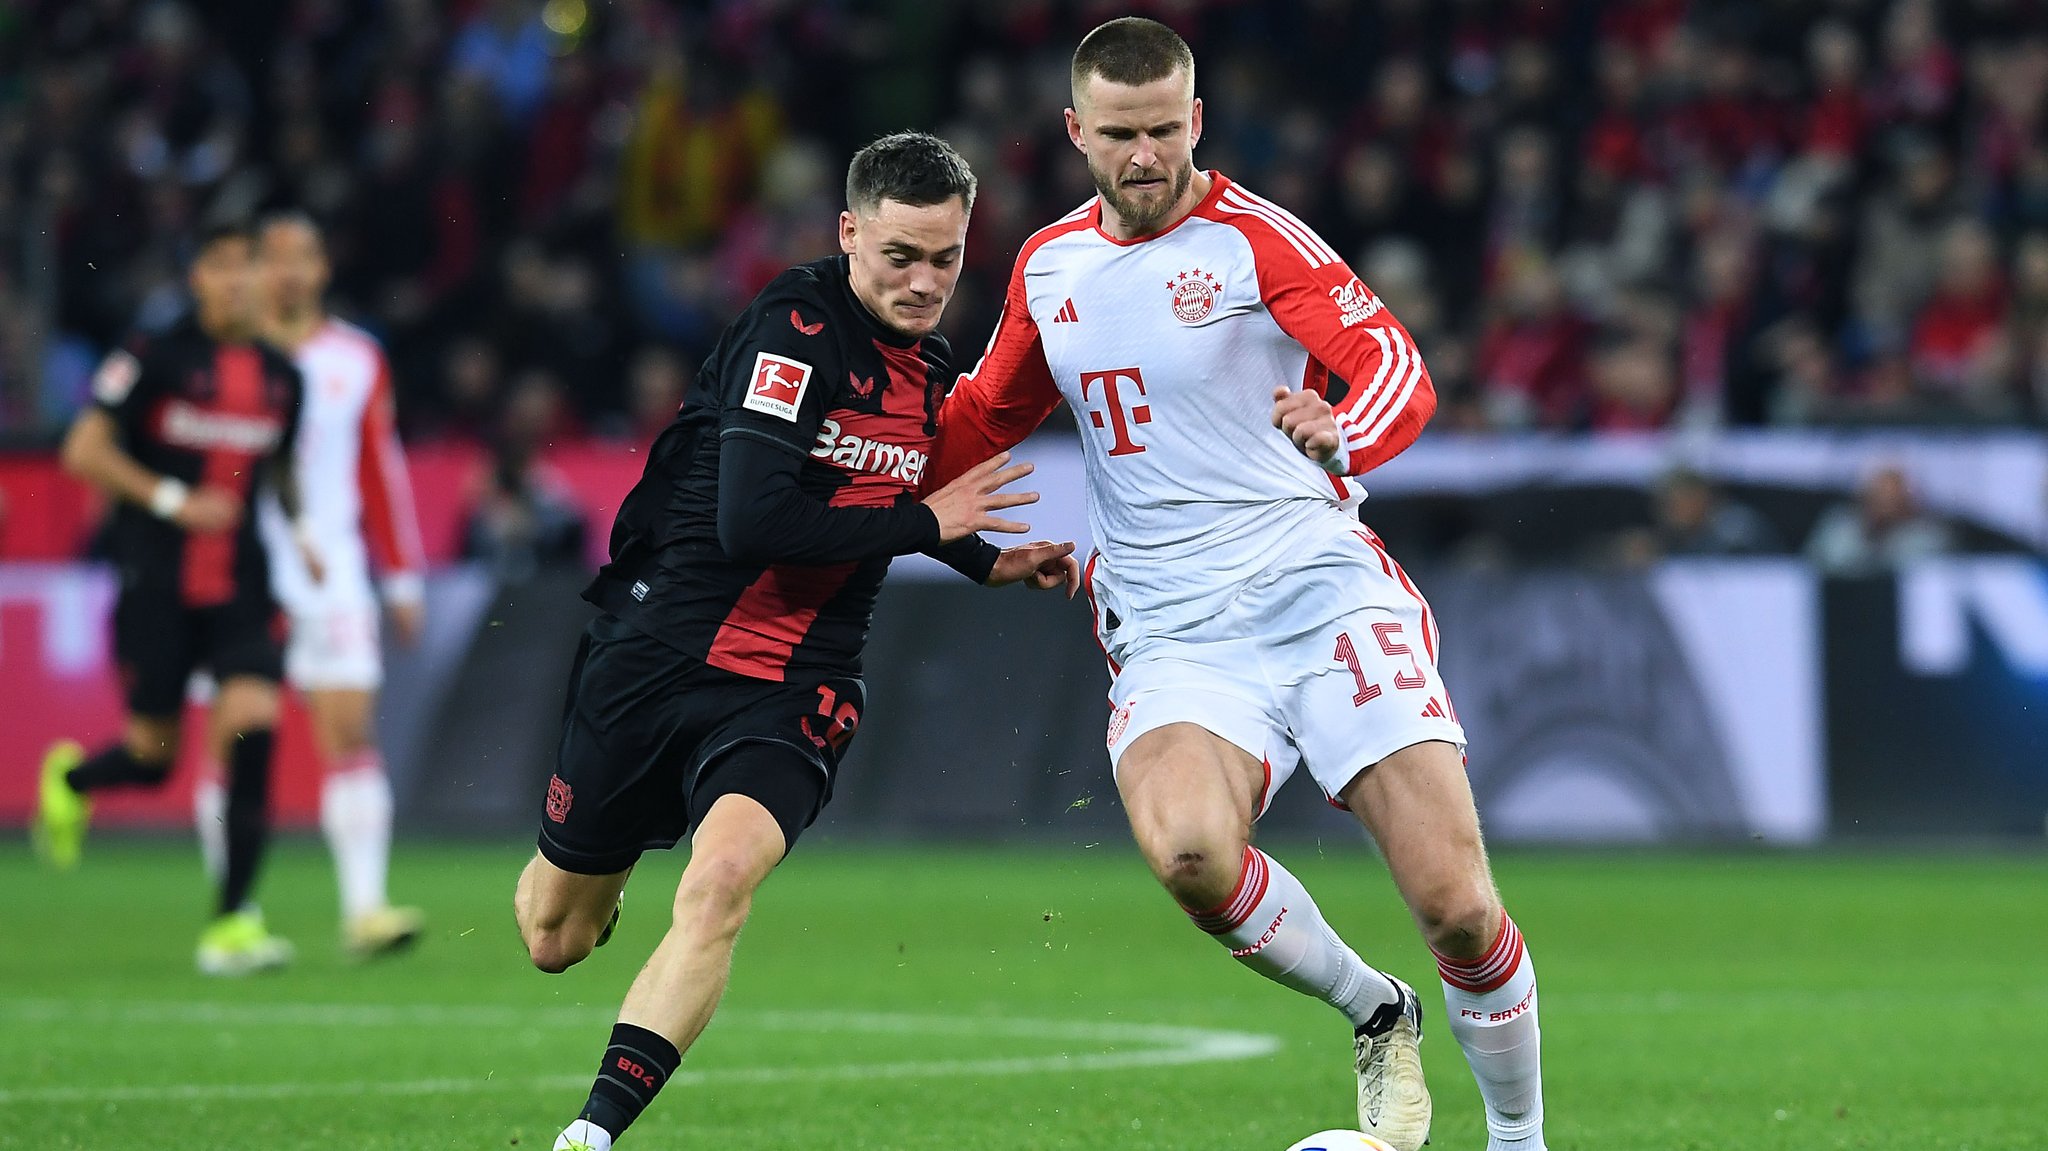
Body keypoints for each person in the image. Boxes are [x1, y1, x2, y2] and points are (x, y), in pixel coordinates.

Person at [929, 19, 1548, 1151]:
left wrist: (1340, 429)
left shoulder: (1258, 243)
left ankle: (1516, 1140)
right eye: (1120, 134)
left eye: (1165, 128)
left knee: (1458, 908)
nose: (1145, 155)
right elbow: (977, 418)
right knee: (1188, 856)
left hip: (1315, 585)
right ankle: (1374, 1009)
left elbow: (1393, 371)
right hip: (1169, 624)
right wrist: (860, 470)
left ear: (1196, 120)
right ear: (1076, 133)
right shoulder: (1047, 266)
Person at [511, 132, 1079, 1151]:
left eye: (943, 259)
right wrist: (929, 526)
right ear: (849, 234)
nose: (921, 282)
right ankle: (622, 845)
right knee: (555, 935)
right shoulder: (795, 329)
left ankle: (590, 1132)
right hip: (656, 645)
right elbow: (754, 521)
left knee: (720, 880)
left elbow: (891, 491)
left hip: (797, 679)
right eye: (899, 255)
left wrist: (980, 557)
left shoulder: (927, 366)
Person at [33, 221, 313, 976]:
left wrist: (304, 530)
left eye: (246, 267)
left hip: (242, 585)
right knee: (155, 757)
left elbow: (279, 473)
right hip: (156, 581)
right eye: (221, 268)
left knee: (255, 724)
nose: (236, 282)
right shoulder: (153, 356)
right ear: (198, 278)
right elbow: (82, 449)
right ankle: (72, 780)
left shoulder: (285, 377)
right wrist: (168, 497)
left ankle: (232, 921)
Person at [190, 211, 430, 960]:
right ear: (254, 270)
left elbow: (378, 467)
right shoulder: (221, 358)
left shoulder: (357, 358)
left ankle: (365, 909)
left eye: (304, 256)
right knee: (232, 742)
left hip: (331, 572)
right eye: (274, 257)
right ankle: (238, 909)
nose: (289, 271)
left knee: (350, 730)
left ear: (324, 269)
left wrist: (401, 574)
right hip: (231, 571)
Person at [1804, 463, 1952, 574]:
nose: (1885, 506)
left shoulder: (1928, 536)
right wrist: (1869, 532)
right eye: (1879, 497)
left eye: (1893, 499)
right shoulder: (1840, 527)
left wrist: (1888, 535)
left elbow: (1919, 571)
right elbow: (1820, 563)